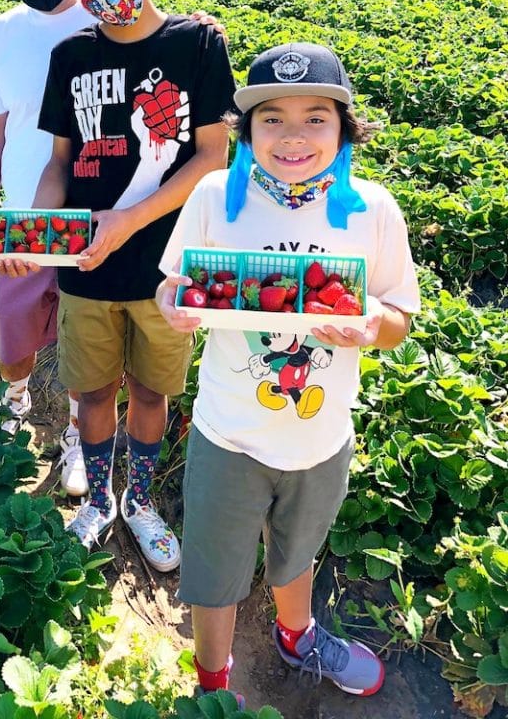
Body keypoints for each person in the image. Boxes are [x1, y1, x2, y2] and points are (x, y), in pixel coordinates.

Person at [156, 42, 420, 698]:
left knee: (296, 552)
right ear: (248, 130)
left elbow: (397, 318)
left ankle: (296, 634)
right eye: (272, 117)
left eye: (315, 118)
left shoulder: (373, 209)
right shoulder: (219, 196)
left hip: (320, 436)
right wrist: (174, 304)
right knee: (215, 570)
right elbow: (175, 284)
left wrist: (369, 326)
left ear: (344, 128)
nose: (293, 136)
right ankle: (212, 683)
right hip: (228, 431)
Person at [12, 0, 237, 570]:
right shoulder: (72, 56)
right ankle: (99, 502)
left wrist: (125, 223)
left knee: (150, 392)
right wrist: (35, 230)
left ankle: (139, 500)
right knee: (91, 394)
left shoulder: (195, 45)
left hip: (167, 270)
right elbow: (59, 165)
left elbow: (210, 158)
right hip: (86, 268)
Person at [0, 0, 92, 495]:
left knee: (84, 338)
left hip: (99, 219)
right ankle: (15, 396)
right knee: (12, 332)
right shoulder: (1, 35)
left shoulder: (105, 21)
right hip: (22, 216)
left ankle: (77, 434)